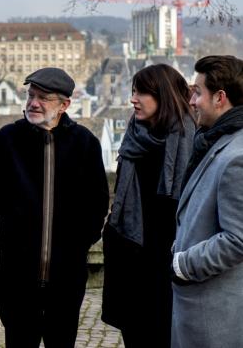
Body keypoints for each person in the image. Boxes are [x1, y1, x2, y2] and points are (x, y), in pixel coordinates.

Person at [0, 67, 109, 348]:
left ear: (64, 105)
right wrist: (9, 240)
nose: (33, 103)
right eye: (30, 95)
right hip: (16, 277)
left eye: (43, 98)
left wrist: (77, 245)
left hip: (66, 277)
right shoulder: (6, 140)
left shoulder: (86, 144)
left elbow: (97, 205)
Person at [101, 64, 196, 348]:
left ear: (163, 95)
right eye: (133, 91)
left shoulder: (191, 139)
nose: (133, 99)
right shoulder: (133, 136)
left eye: (142, 92)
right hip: (131, 261)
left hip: (170, 264)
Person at [171, 55, 243, 348]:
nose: (191, 101)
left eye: (198, 92)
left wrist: (183, 264)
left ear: (220, 98)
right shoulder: (219, 141)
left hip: (213, 317)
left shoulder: (236, 156)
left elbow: (238, 239)